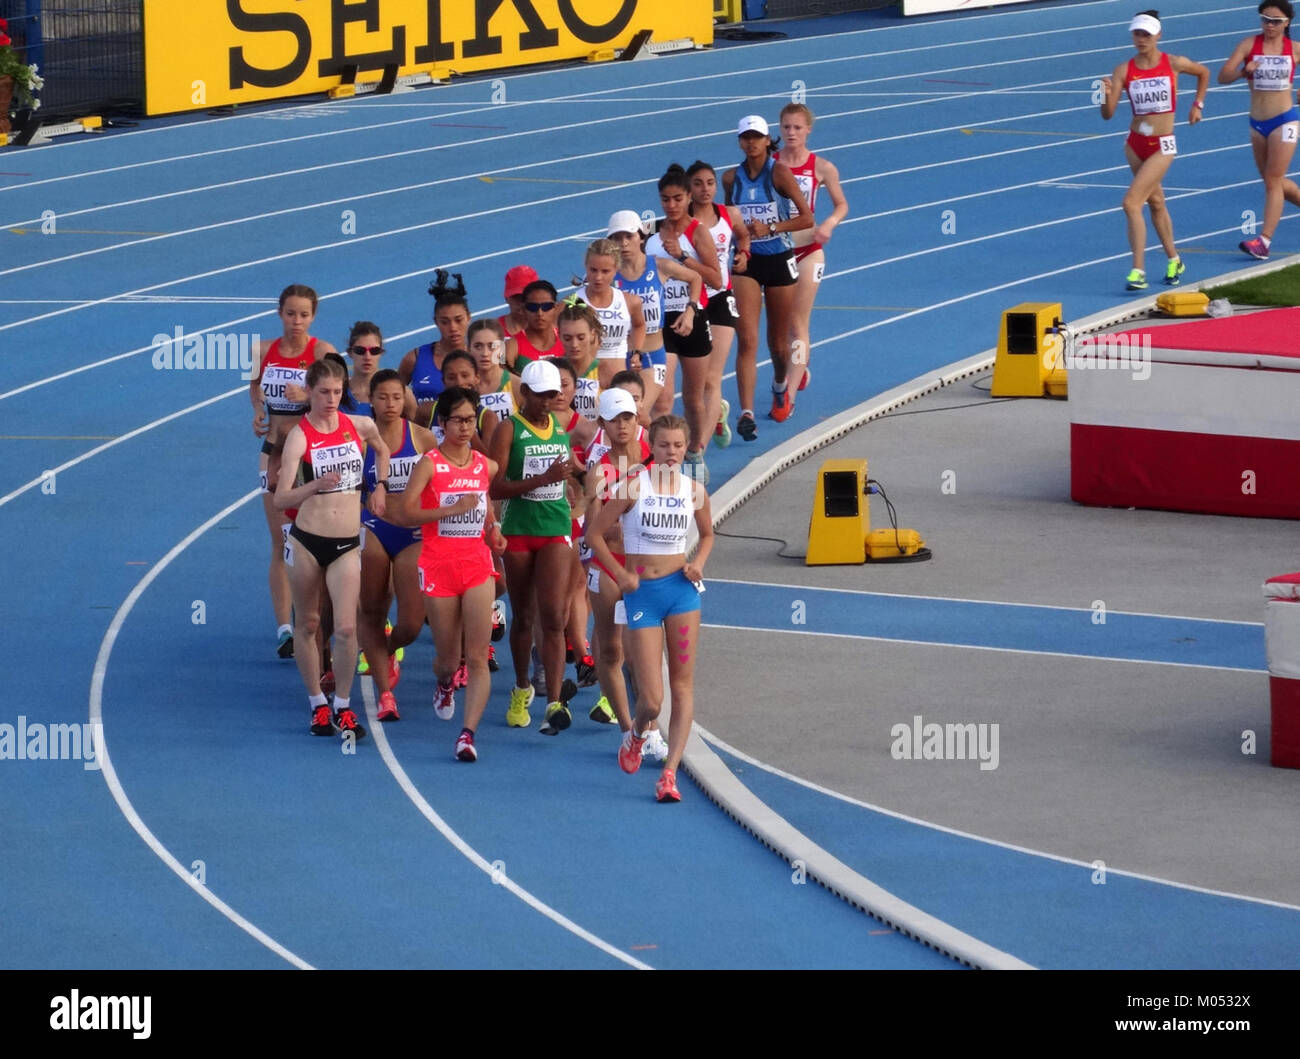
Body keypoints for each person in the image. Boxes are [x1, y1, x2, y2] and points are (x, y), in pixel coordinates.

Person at [586, 414, 714, 802]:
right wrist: (619, 574)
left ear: (686, 447)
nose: (671, 452)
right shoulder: (633, 487)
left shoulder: (695, 491)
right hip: (642, 594)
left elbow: (708, 534)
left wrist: (698, 564)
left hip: (682, 592)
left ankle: (670, 773)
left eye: (678, 446)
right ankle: (638, 734)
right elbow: (593, 535)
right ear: (651, 448)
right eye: (663, 445)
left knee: (683, 685)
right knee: (652, 699)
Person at [274, 358, 389, 740]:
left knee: (344, 626)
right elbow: (280, 499)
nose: (331, 399)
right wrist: (314, 486)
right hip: (307, 540)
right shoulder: (299, 437)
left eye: (338, 392)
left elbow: (382, 449)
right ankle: (316, 704)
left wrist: (381, 487)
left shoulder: (360, 425)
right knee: (308, 623)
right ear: (310, 392)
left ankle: (342, 703)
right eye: (324, 392)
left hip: (345, 543)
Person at [394, 387, 506, 762]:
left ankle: (467, 734)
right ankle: (444, 683)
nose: (463, 427)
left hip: (476, 565)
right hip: (438, 567)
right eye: (456, 420)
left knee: (475, 657)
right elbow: (408, 512)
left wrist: (495, 530)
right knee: (447, 659)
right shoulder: (428, 463)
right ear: (441, 423)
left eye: (469, 420)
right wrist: (450, 509)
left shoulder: (483, 465)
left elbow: (486, 508)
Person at [488, 359, 581, 734]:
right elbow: (494, 487)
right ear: (523, 393)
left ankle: (555, 702)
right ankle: (522, 687)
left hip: (555, 526)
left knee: (555, 615)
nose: (548, 402)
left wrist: (566, 485)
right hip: (520, 530)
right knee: (524, 615)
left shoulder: (557, 425)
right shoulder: (509, 430)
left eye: (552, 396)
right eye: (541, 396)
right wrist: (542, 478)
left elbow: (560, 471)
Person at [250, 284, 333, 659]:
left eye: (303, 315)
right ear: (279, 313)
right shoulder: (262, 351)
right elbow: (255, 386)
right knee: (281, 540)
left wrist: (308, 399)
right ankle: (285, 627)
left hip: (312, 455)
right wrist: (257, 411)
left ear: (313, 317)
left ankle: (315, 616)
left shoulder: (321, 352)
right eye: (290, 313)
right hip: (273, 452)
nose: (296, 321)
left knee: (316, 538)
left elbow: (337, 397)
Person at [1100, 11, 1209, 290]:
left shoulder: (1173, 63)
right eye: (1137, 34)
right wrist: (1105, 94)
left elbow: (1203, 72)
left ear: (1158, 35)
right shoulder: (1124, 70)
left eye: (1146, 34)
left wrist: (1197, 105)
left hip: (1163, 144)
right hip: (1135, 144)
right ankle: (1175, 259)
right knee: (1156, 203)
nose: (1140, 39)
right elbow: (1108, 115)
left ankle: (1138, 270)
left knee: (1131, 203)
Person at [723, 116, 814, 438]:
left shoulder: (779, 173)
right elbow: (730, 220)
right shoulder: (730, 178)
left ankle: (779, 385)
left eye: (756, 137)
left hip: (778, 258)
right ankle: (746, 412)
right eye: (745, 137)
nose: (751, 143)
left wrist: (771, 228)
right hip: (746, 263)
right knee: (746, 340)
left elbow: (806, 218)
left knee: (777, 344)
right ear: (739, 141)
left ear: (766, 140)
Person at [357, 369, 439, 723]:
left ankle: (387, 651)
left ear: (405, 399)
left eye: (396, 397)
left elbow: (443, 482)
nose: (390, 404)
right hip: (373, 528)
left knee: (411, 623)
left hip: (412, 533)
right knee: (372, 610)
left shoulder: (422, 439)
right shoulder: (359, 441)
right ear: (371, 401)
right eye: (382, 397)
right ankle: (385, 693)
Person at [645, 165, 723, 485]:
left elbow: (716, 279)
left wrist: (683, 258)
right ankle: (662, 460)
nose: (671, 205)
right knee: (664, 396)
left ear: (688, 197)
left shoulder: (698, 232)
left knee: (693, 398)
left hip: (693, 317)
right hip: (660, 321)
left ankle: (693, 452)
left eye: (678, 198)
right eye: (666, 199)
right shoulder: (650, 233)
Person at [774, 104, 849, 395]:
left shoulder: (822, 167)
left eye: (797, 127)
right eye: (786, 127)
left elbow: (841, 204)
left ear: (808, 130)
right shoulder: (771, 164)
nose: (791, 133)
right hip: (777, 254)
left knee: (796, 323)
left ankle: (787, 395)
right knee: (778, 328)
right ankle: (798, 367)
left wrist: (829, 223)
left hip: (809, 251)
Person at [1219, 2, 1300, 259]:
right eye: (1265, 19)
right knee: (1270, 180)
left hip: (1284, 120)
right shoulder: (1248, 45)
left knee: (1274, 181)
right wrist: (1244, 71)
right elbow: (1223, 76)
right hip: (1257, 123)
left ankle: (1263, 241)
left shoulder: (1294, 49)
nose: (1269, 25)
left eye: (1275, 21)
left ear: (1287, 22)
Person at [687, 161, 749, 450]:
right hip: (688, 302)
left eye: (710, 183)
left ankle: (698, 450)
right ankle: (717, 414)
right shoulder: (678, 222)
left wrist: (743, 253)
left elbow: (743, 234)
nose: (705, 189)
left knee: (712, 378)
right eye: (698, 183)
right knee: (694, 386)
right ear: (689, 188)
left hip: (721, 298)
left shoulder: (728, 213)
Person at [398, 272, 471, 425]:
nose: (453, 328)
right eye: (445, 322)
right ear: (435, 322)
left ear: (469, 317)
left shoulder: (485, 354)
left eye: (458, 320)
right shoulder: (414, 358)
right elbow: (394, 394)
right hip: (427, 442)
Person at [576, 239, 646, 389]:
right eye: (593, 270)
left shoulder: (630, 302)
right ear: (586, 267)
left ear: (616, 270)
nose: (598, 277)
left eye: (605, 271)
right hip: (585, 382)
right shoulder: (572, 303)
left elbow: (639, 325)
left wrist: (636, 352)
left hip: (618, 382)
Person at [505, 280, 562, 369]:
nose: (540, 313)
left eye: (546, 306)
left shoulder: (568, 339)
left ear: (555, 308)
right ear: (523, 310)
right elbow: (500, 379)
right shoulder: (509, 346)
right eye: (532, 307)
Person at [342, 321, 388, 418]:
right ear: (350, 352)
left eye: (374, 351)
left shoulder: (395, 392)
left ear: (381, 353)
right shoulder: (337, 392)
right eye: (360, 351)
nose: (367, 357)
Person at [499, 265, 539, 338]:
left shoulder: (552, 328)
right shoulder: (493, 331)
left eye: (526, 297)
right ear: (507, 298)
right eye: (516, 297)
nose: (522, 303)